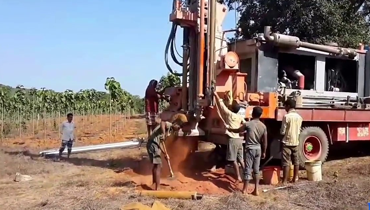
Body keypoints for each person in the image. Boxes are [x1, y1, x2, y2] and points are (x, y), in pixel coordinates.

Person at [227, 106, 267, 195]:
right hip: (258, 149)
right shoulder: (263, 126)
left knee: (248, 169)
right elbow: (265, 141)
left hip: (250, 149)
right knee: (256, 170)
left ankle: (244, 190)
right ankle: (256, 190)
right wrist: (264, 152)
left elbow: (238, 130)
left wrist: (229, 129)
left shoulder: (248, 124)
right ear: (260, 115)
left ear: (253, 113)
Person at [146, 113, 187, 190]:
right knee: (158, 165)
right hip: (153, 144)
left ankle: (155, 183)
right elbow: (162, 122)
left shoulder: (170, 131)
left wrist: (165, 153)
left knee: (156, 165)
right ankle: (157, 187)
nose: (179, 128)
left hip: (155, 144)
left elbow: (161, 143)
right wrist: (163, 133)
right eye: (179, 126)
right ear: (175, 123)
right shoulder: (169, 125)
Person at [213, 90, 246, 183]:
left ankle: (238, 177)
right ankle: (247, 174)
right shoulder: (239, 117)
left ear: (231, 108)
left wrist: (215, 95)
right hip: (239, 140)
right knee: (241, 159)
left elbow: (222, 107)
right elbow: (245, 124)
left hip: (232, 139)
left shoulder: (229, 114)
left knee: (233, 160)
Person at [280, 99, 303, 184]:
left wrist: (281, 139)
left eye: (285, 106)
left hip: (287, 142)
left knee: (286, 162)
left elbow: (283, 131)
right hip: (295, 142)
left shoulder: (286, 117)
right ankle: (295, 178)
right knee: (296, 161)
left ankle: (285, 180)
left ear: (288, 106)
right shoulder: (299, 117)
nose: (284, 108)